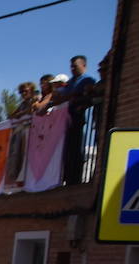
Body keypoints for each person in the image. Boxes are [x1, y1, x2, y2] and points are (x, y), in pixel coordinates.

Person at [55, 55, 97, 185]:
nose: (72, 68)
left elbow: (83, 95)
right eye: (71, 66)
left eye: (75, 66)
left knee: (77, 149)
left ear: (84, 65)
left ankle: (75, 179)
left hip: (77, 119)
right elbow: (62, 96)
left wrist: (73, 98)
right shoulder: (71, 81)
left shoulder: (88, 80)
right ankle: (67, 178)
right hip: (65, 120)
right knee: (67, 150)